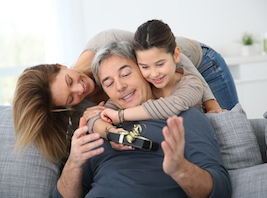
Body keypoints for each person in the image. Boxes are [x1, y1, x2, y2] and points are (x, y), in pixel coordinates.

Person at [52, 40, 231, 197]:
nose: (120, 86)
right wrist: (74, 162)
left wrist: (180, 169)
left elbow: (221, 190)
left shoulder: (185, 116)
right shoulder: (100, 130)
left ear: (143, 71)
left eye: (125, 74)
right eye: (109, 83)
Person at [99, 19, 204, 126]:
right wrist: (96, 120)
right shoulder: (146, 84)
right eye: (145, 67)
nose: (154, 74)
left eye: (160, 64)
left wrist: (120, 116)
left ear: (176, 55)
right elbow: (104, 111)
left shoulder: (192, 84)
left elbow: (171, 105)